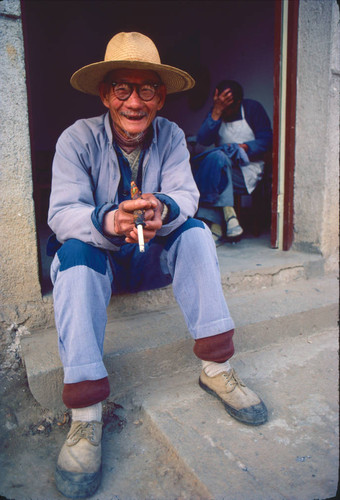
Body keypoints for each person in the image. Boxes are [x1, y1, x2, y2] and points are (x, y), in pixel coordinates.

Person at [48, 32, 268, 499]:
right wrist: (108, 219)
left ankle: (216, 367)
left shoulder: (170, 136)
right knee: (72, 253)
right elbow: (61, 211)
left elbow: (187, 195)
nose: (134, 102)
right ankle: (86, 416)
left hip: (151, 259)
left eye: (146, 89)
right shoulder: (76, 140)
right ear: (105, 95)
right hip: (102, 257)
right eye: (122, 89)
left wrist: (163, 208)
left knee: (195, 233)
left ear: (161, 96)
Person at [192, 80, 272, 241]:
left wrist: (245, 148)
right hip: (222, 166)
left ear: (238, 102)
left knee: (213, 166)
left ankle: (215, 225)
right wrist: (216, 111)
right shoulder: (217, 111)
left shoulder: (252, 109)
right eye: (222, 106)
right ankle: (229, 215)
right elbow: (204, 140)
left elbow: (267, 139)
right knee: (216, 158)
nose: (226, 112)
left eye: (228, 107)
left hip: (248, 169)